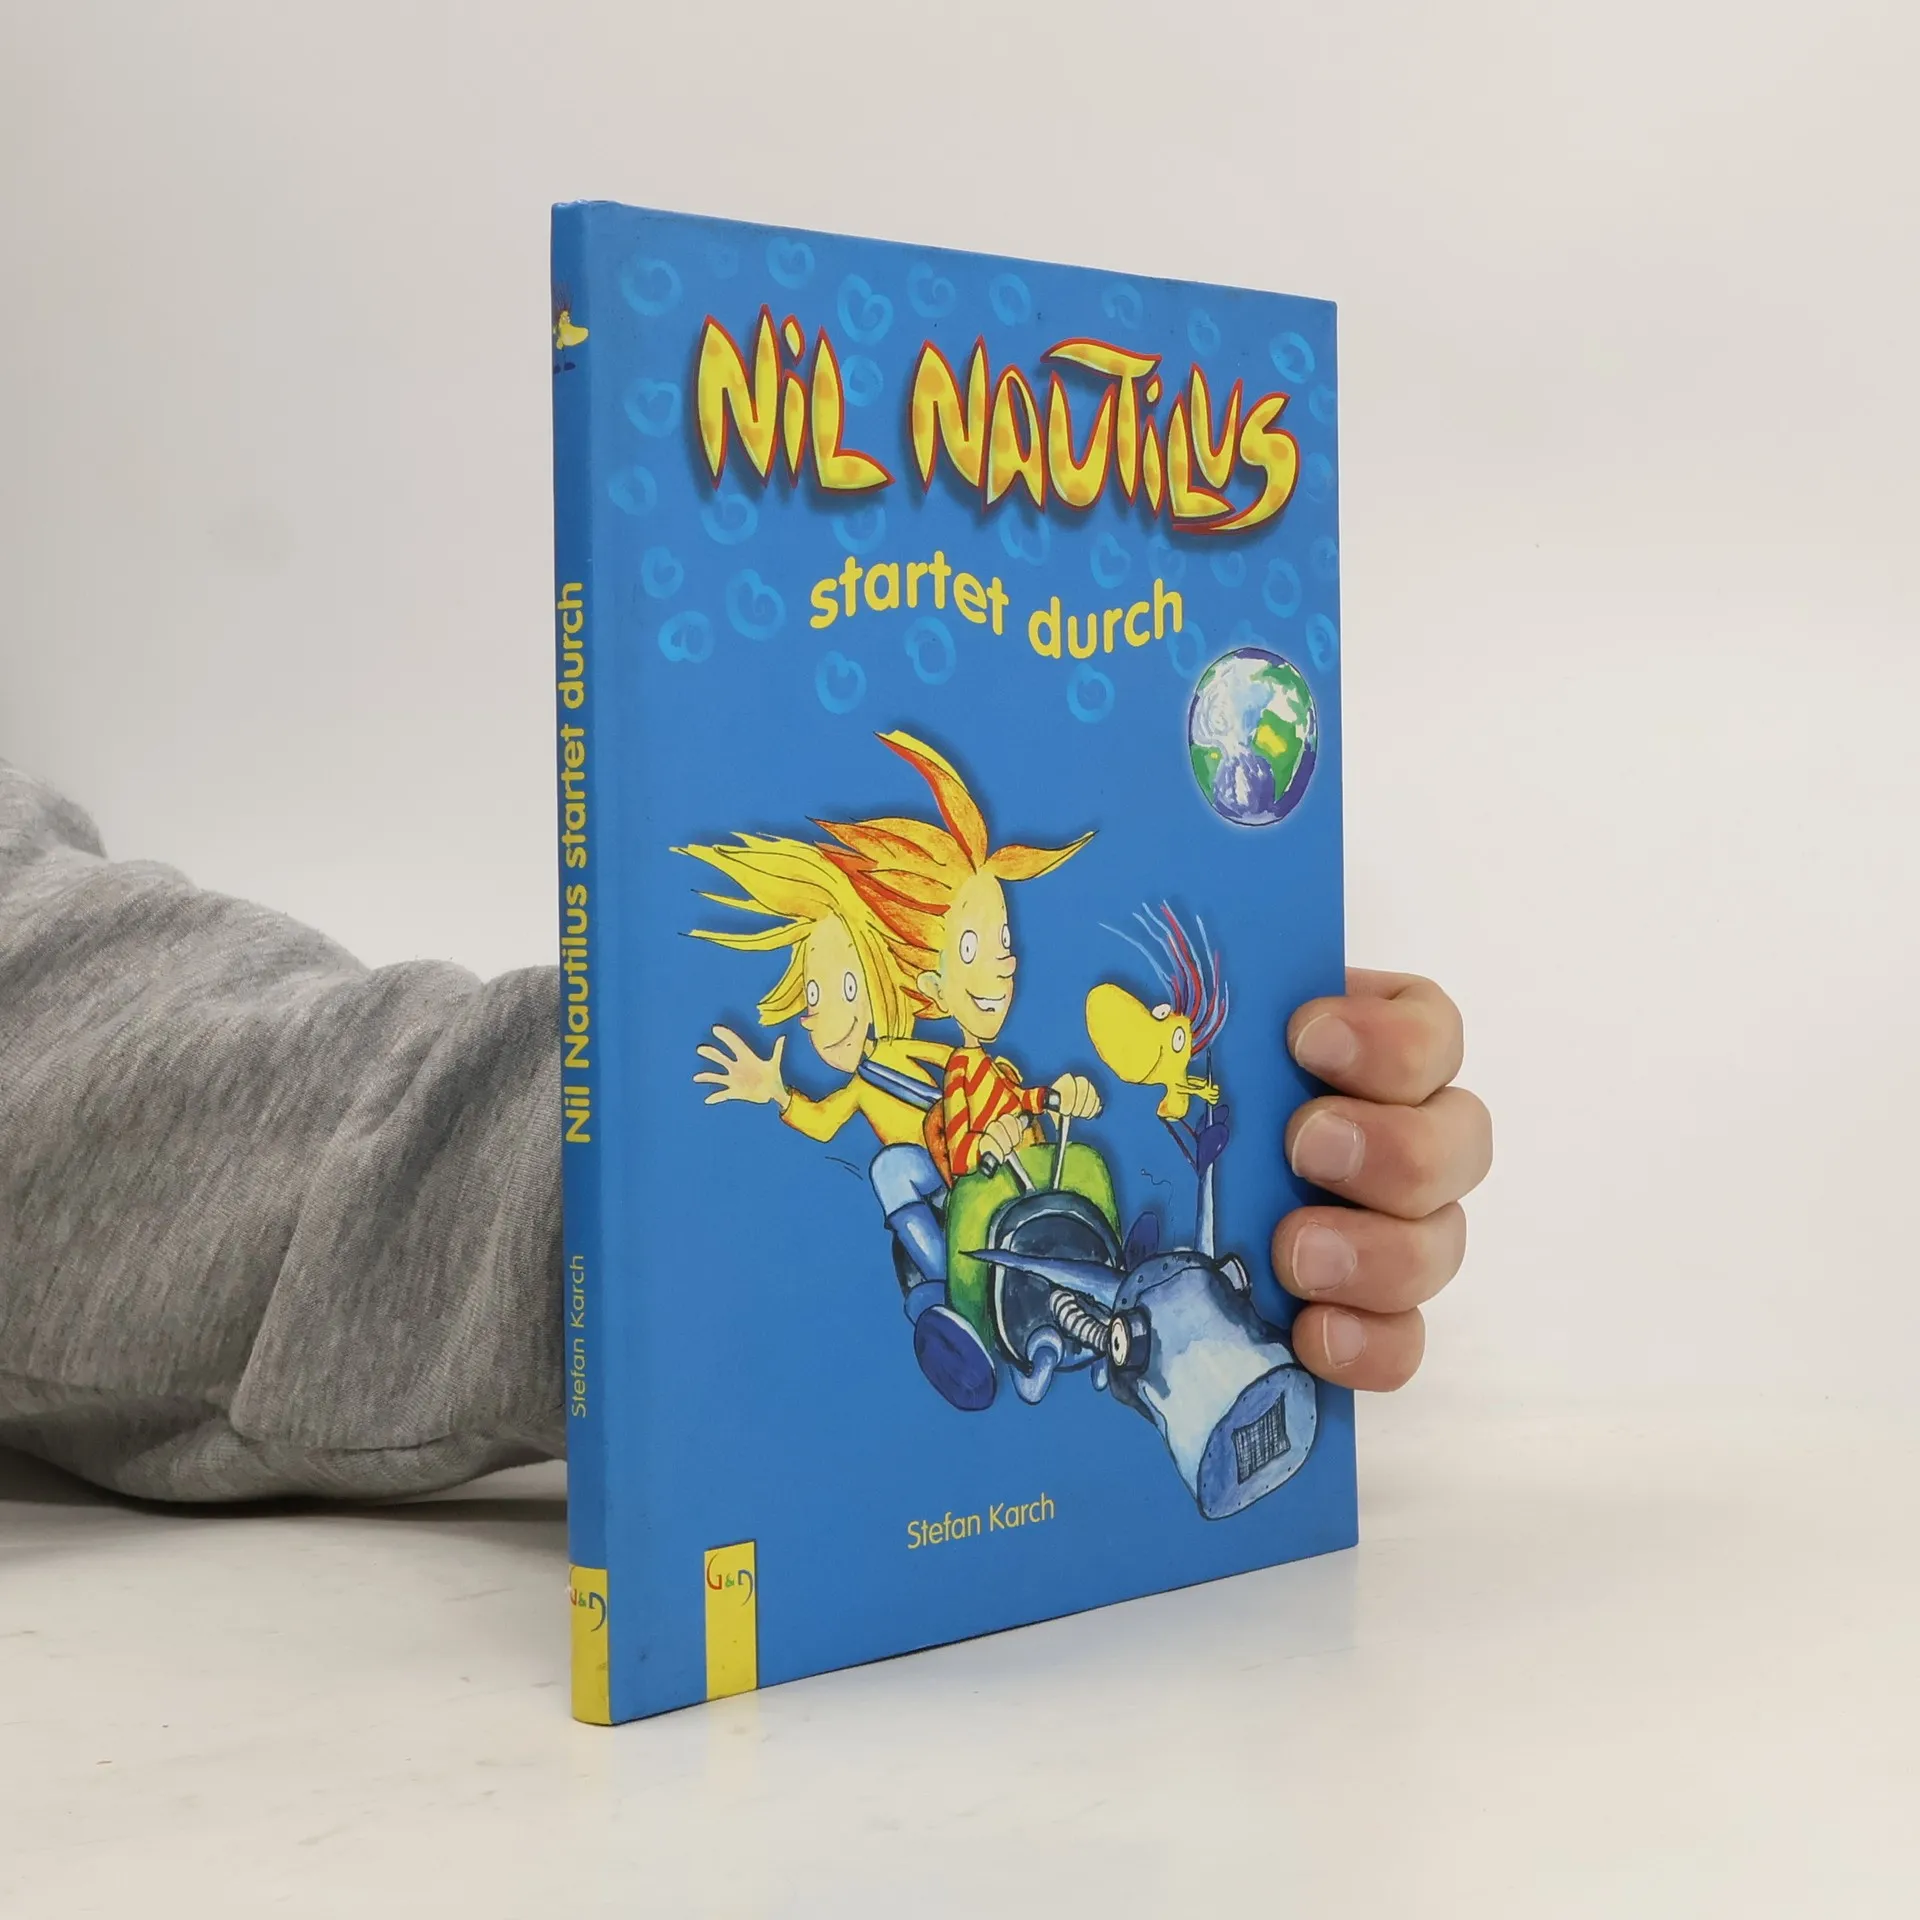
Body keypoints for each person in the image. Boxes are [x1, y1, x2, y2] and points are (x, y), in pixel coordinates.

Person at [0, 755, 1494, 1503]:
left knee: (1063, 1187)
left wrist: (1234, 1106)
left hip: (1033, 1199)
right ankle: (953, 1306)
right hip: (939, 1217)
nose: (994, 977)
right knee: (910, 1186)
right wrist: (660, 1177)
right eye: (970, 948)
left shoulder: (972, 1048)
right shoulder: (885, 1062)